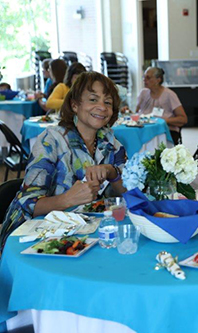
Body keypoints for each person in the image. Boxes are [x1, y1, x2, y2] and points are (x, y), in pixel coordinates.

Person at [0, 71, 127, 251]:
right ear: (75, 105)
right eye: (93, 99)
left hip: (86, 235)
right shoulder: (51, 141)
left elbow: (130, 194)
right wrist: (68, 199)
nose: (102, 107)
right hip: (33, 238)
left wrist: (112, 172)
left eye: (108, 102)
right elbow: (28, 204)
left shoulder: (111, 143)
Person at [134, 67, 187, 144]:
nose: (144, 80)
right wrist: (127, 111)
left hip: (165, 130)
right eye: (144, 77)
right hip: (145, 130)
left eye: (148, 77)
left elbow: (183, 119)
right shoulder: (143, 93)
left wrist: (164, 120)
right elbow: (136, 113)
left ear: (158, 80)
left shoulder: (169, 95)